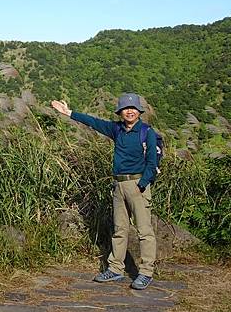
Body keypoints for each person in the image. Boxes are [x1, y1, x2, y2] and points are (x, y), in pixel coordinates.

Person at [51, 93, 158, 290]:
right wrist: (69, 113)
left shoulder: (146, 132)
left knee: (144, 231)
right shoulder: (116, 129)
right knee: (120, 229)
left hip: (137, 184)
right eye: (126, 108)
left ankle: (145, 272)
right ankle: (116, 269)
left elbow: (152, 162)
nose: (130, 111)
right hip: (118, 185)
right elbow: (94, 122)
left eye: (133, 108)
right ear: (120, 112)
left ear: (139, 111)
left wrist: (142, 184)